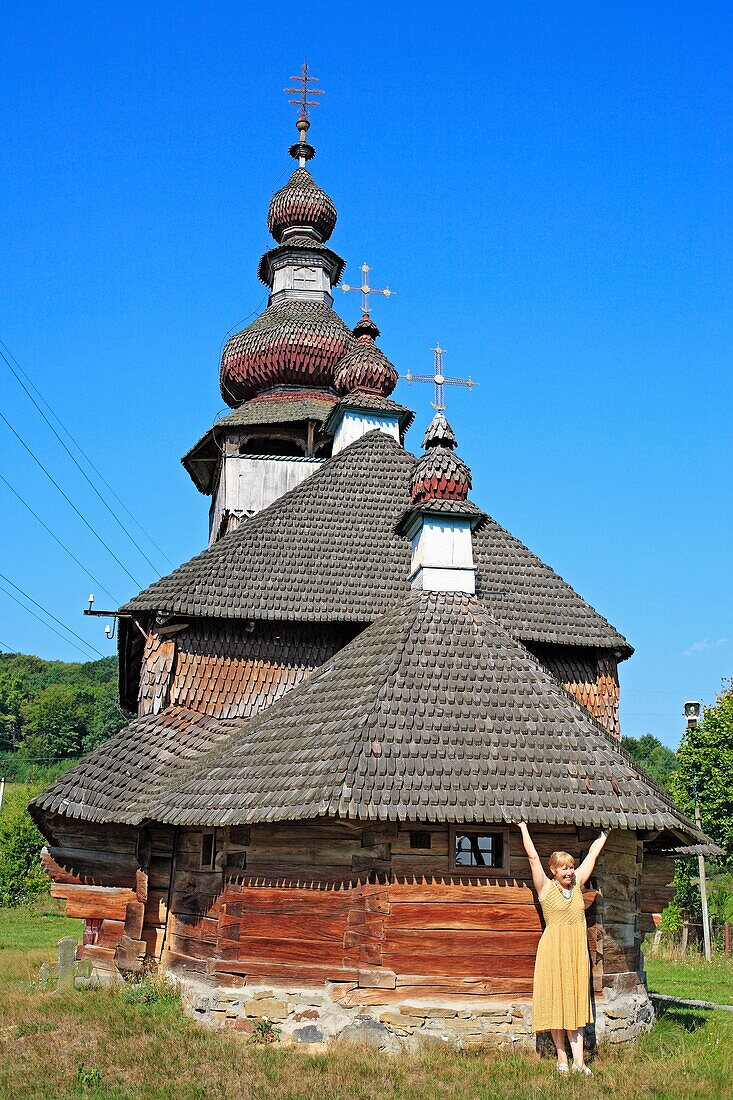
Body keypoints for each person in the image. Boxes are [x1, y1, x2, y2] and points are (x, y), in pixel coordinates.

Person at [516, 821, 609, 1077]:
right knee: (557, 1003)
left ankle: (579, 1062)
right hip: (552, 952)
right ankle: (561, 1058)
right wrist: (523, 828)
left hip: (576, 952)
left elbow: (591, 855)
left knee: (575, 1004)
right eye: (564, 868)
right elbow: (532, 856)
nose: (569, 872)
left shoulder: (578, 886)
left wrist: (604, 835)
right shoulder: (545, 888)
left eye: (570, 867)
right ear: (553, 871)